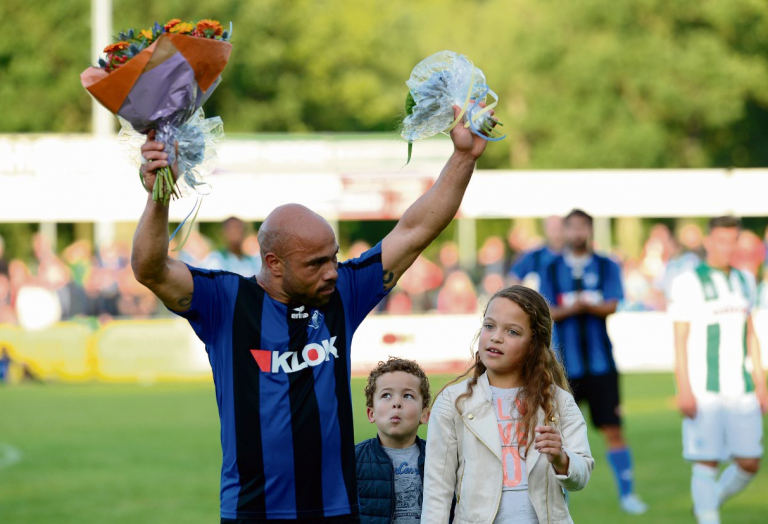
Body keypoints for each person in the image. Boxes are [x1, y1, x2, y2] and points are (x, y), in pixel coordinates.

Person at [133, 104, 494, 524]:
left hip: (336, 510)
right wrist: (158, 194)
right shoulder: (225, 303)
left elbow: (414, 231)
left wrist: (464, 157)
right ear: (274, 263)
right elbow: (150, 269)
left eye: (333, 258)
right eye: (315, 263)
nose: (330, 272)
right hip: (253, 510)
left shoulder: (341, 293)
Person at [422, 285, 593, 523]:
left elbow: (581, 475)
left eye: (512, 332)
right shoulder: (453, 402)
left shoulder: (558, 402)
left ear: (534, 344)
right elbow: (437, 490)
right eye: (489, 326)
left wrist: (561, 458)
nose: (496, 337)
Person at [538, 209, 647, 515]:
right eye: (571, 227)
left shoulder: (607, 264)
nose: (577, 233)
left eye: (582, 227)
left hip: (601, 365)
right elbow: (546, 310)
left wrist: (587, 306)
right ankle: (559, 501)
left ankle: (628, 495)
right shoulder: (551, 267)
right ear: (564, 231)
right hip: (562, 368)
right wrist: (579, 307)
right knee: (555, 434)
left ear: (589, 230)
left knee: (613, 428)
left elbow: (612, 304)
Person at [668, 216, 767, 524]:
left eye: (732, 240)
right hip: (705, 390)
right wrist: (683, 389)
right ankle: (708, 516)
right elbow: (680, 339)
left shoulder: (745, 279)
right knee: (706, 462)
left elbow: (751, 333)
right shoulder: (688, 281)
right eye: (721, 240)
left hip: (742, 389)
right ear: (709, 241)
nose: (727, 246)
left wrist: (761, 382)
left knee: (750, 461)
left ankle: (708, 504)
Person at [355, 357, 430, 524]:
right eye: (386, 395)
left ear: (424, 415)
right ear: (371, 413)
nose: (397, 403)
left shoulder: (441, 458)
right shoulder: (353, 460)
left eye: (408, 396)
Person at [508, 216, 564, 291]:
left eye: (559, 228)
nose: (556, 233)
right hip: (542, 301)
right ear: (546, 229)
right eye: (553, 229)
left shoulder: (573, 255)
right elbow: (513, 278)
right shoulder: (534, 256)